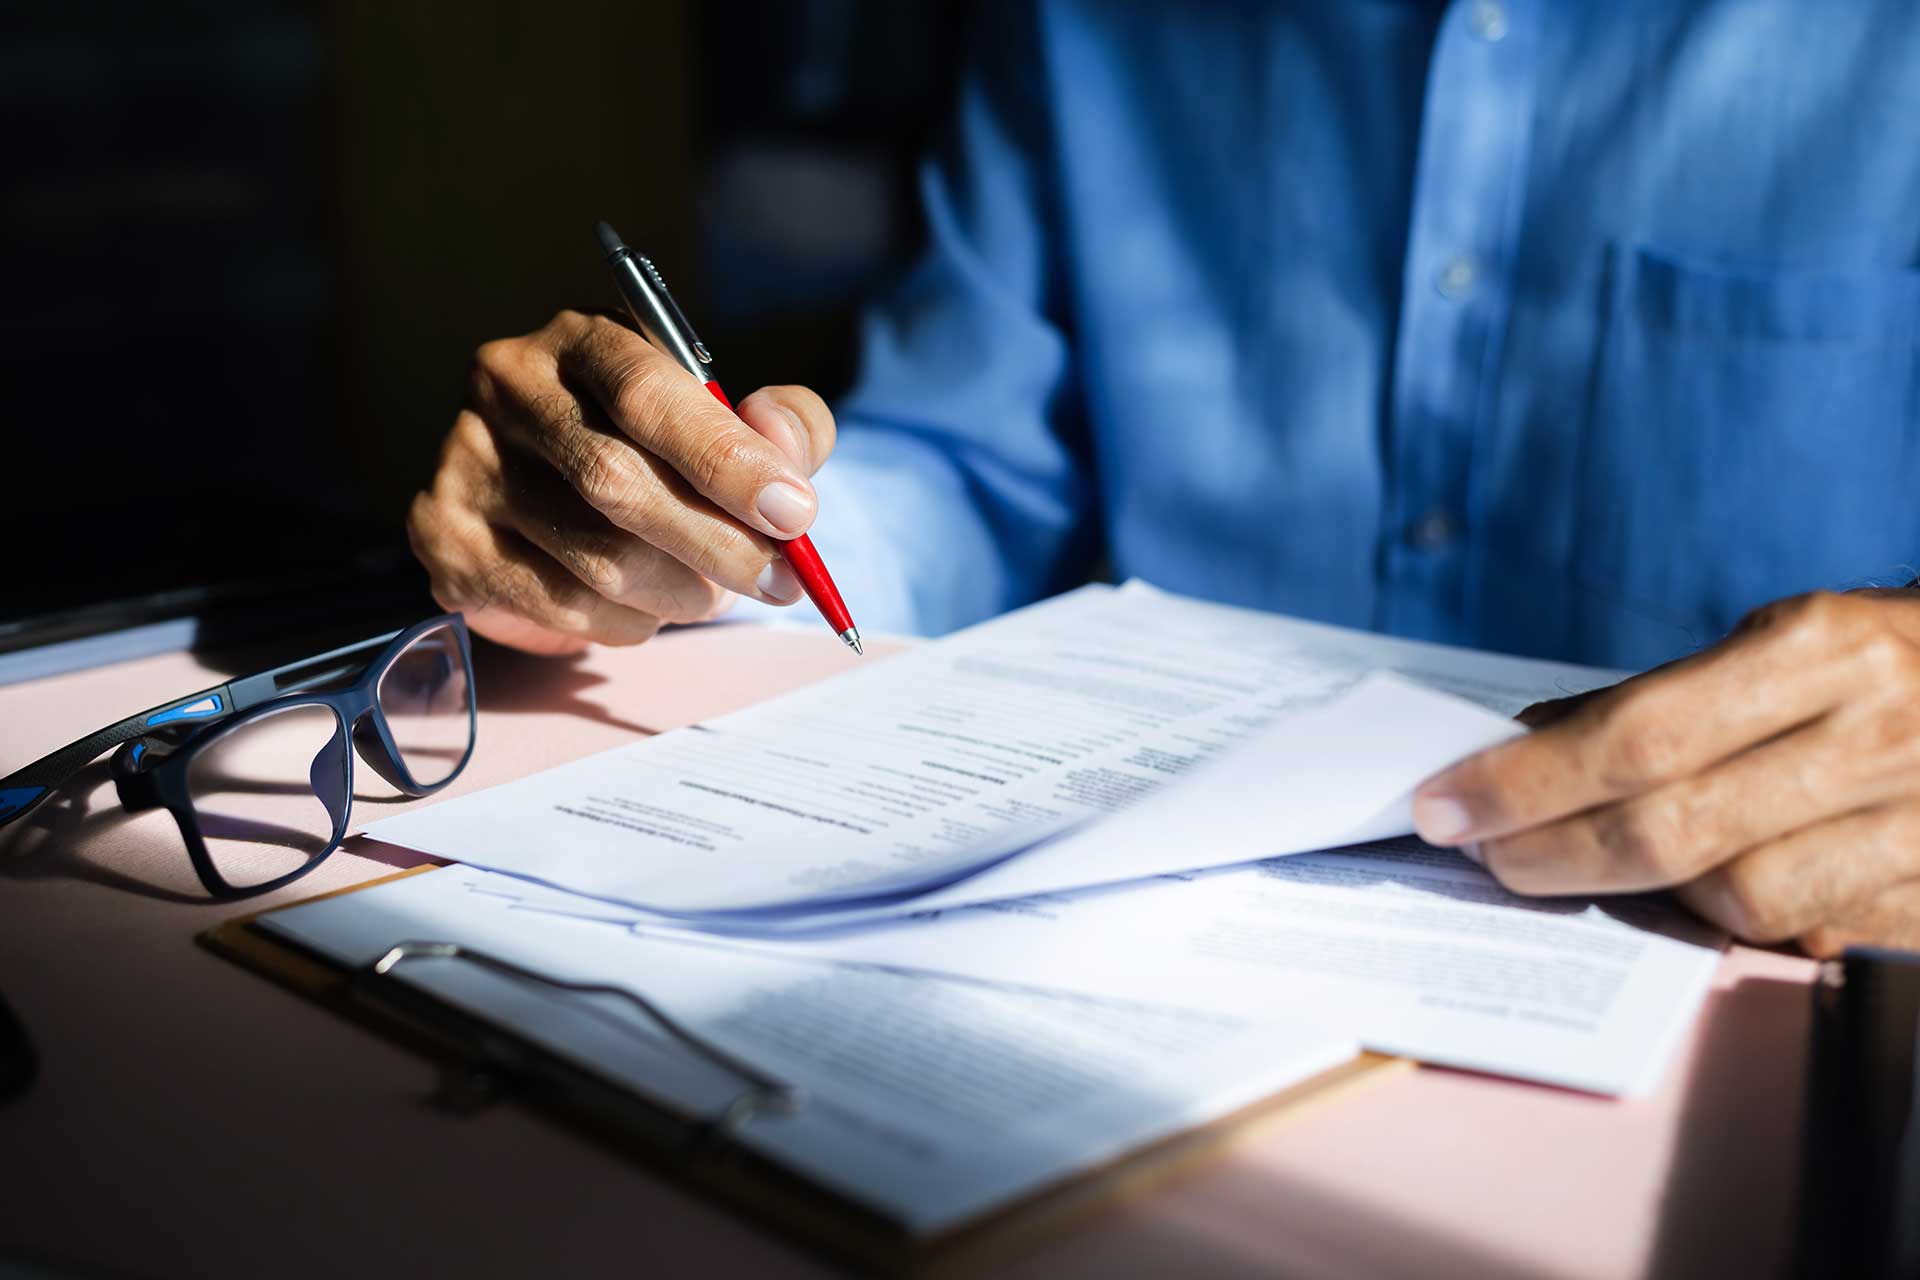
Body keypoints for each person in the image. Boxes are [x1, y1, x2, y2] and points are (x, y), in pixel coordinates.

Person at [406, 1, 1920, 955]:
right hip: (1134, 938)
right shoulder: (1084, 26)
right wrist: (667, 526)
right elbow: (967, 466)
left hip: (1744, 964)